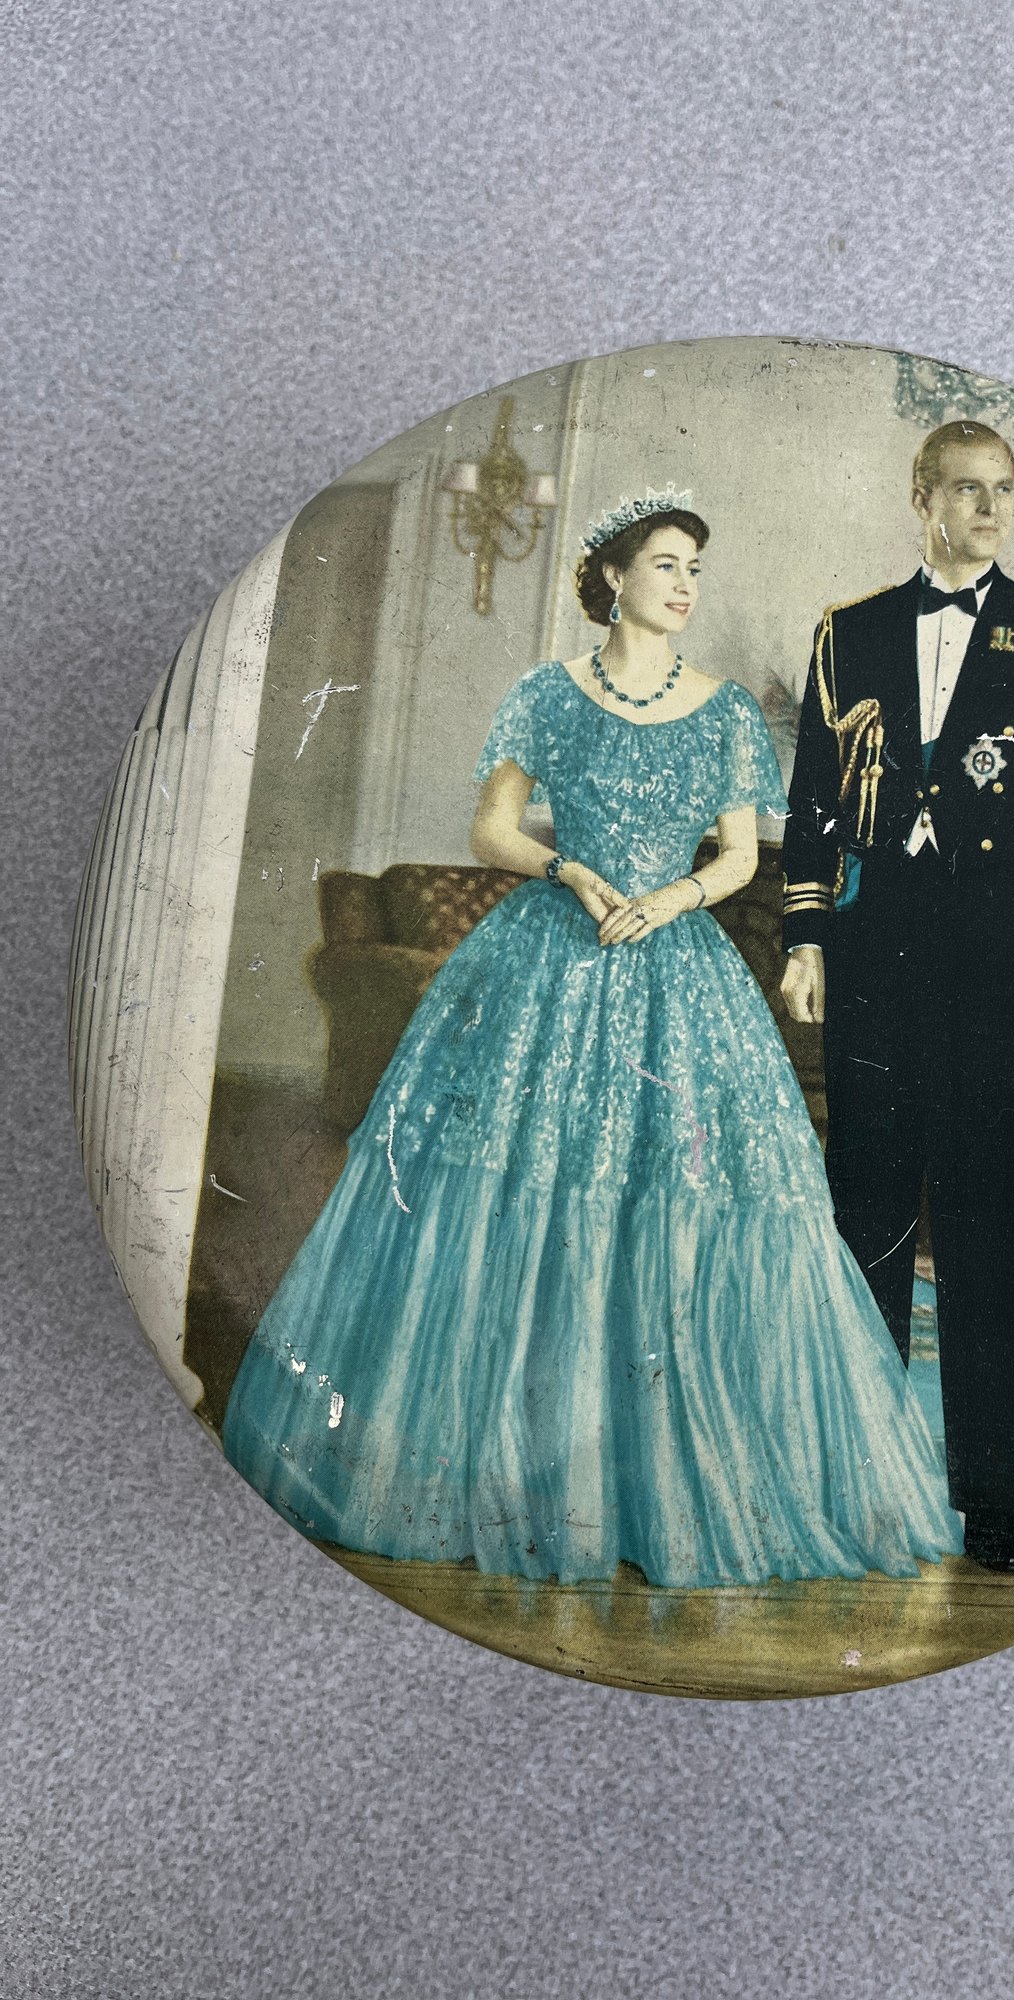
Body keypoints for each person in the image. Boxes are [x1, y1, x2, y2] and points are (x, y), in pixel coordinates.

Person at [220, 487, 962, 1588]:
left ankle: (651, 1477)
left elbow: (740, 856)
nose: (685, 585)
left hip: (675, 959)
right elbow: (491, 828)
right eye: (666, 564)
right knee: (518, 1181)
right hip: (551, 950)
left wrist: (669, 900)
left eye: (695, 569)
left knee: (671, 1190)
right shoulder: (546, 693)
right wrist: (568, 869)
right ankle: (509, 1464)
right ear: (614, 575)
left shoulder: (724, 711)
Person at [780, 421, 1014, 1574]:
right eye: (967, 490)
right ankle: (858, 1488)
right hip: (874, 961)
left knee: (988, 1234)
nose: (989, 510)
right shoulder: (849, 632)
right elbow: (815, 799)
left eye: (1004, 491)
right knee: (866, 1223)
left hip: (998, 970)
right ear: (920, 495)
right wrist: (806, 937)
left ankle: (994, 1505)